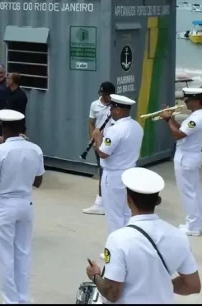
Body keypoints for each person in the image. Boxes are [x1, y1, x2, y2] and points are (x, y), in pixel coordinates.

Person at [85, 167, 201, 303]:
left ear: (128, 200)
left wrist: (95, 276)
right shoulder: (179, 237)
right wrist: (161, 286)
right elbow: (193, 285)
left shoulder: (118, 239)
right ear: (157, 201)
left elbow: (112, 293)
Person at [0, 109, 45, 304]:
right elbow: (38, 181)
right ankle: (23, 298)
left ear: (4, 127)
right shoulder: (35, 149)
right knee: (23, 253)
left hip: (4, 205)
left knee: (5, 256)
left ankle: (10, 300)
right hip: (26, 203)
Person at [93, 94, 143, 236]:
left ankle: (114, 249)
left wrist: (98, 139)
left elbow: (103, 153)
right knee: (127, 213)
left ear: (118, 110)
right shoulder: (137, 126)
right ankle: (128, 244)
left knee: (113, 215)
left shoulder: (115, 130)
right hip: (130, 173)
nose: (110, 112)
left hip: (114, 176)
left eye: (112, 109)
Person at [159, 88, 202, 236]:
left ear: (196, 101)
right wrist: (171, 118)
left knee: (188, 193)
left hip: (186, 158)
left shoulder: (196, 118)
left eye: (188, 99)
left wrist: (167, 119)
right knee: (194, 192)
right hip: (190, 156)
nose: (185, 102)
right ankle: (196, 223)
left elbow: (177, 135)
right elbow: (182, 131)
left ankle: (192, 227)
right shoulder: (195, 116)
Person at [83, 81, 116, 216]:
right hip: (99, 142)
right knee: (102, 171)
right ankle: (101, 201)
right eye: (106, 95)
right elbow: (91, 122)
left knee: (111, 171)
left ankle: (107, 201)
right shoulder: (94, 105)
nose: (108, 98)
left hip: (112, 142)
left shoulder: (115, 105)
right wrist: (93, 138)